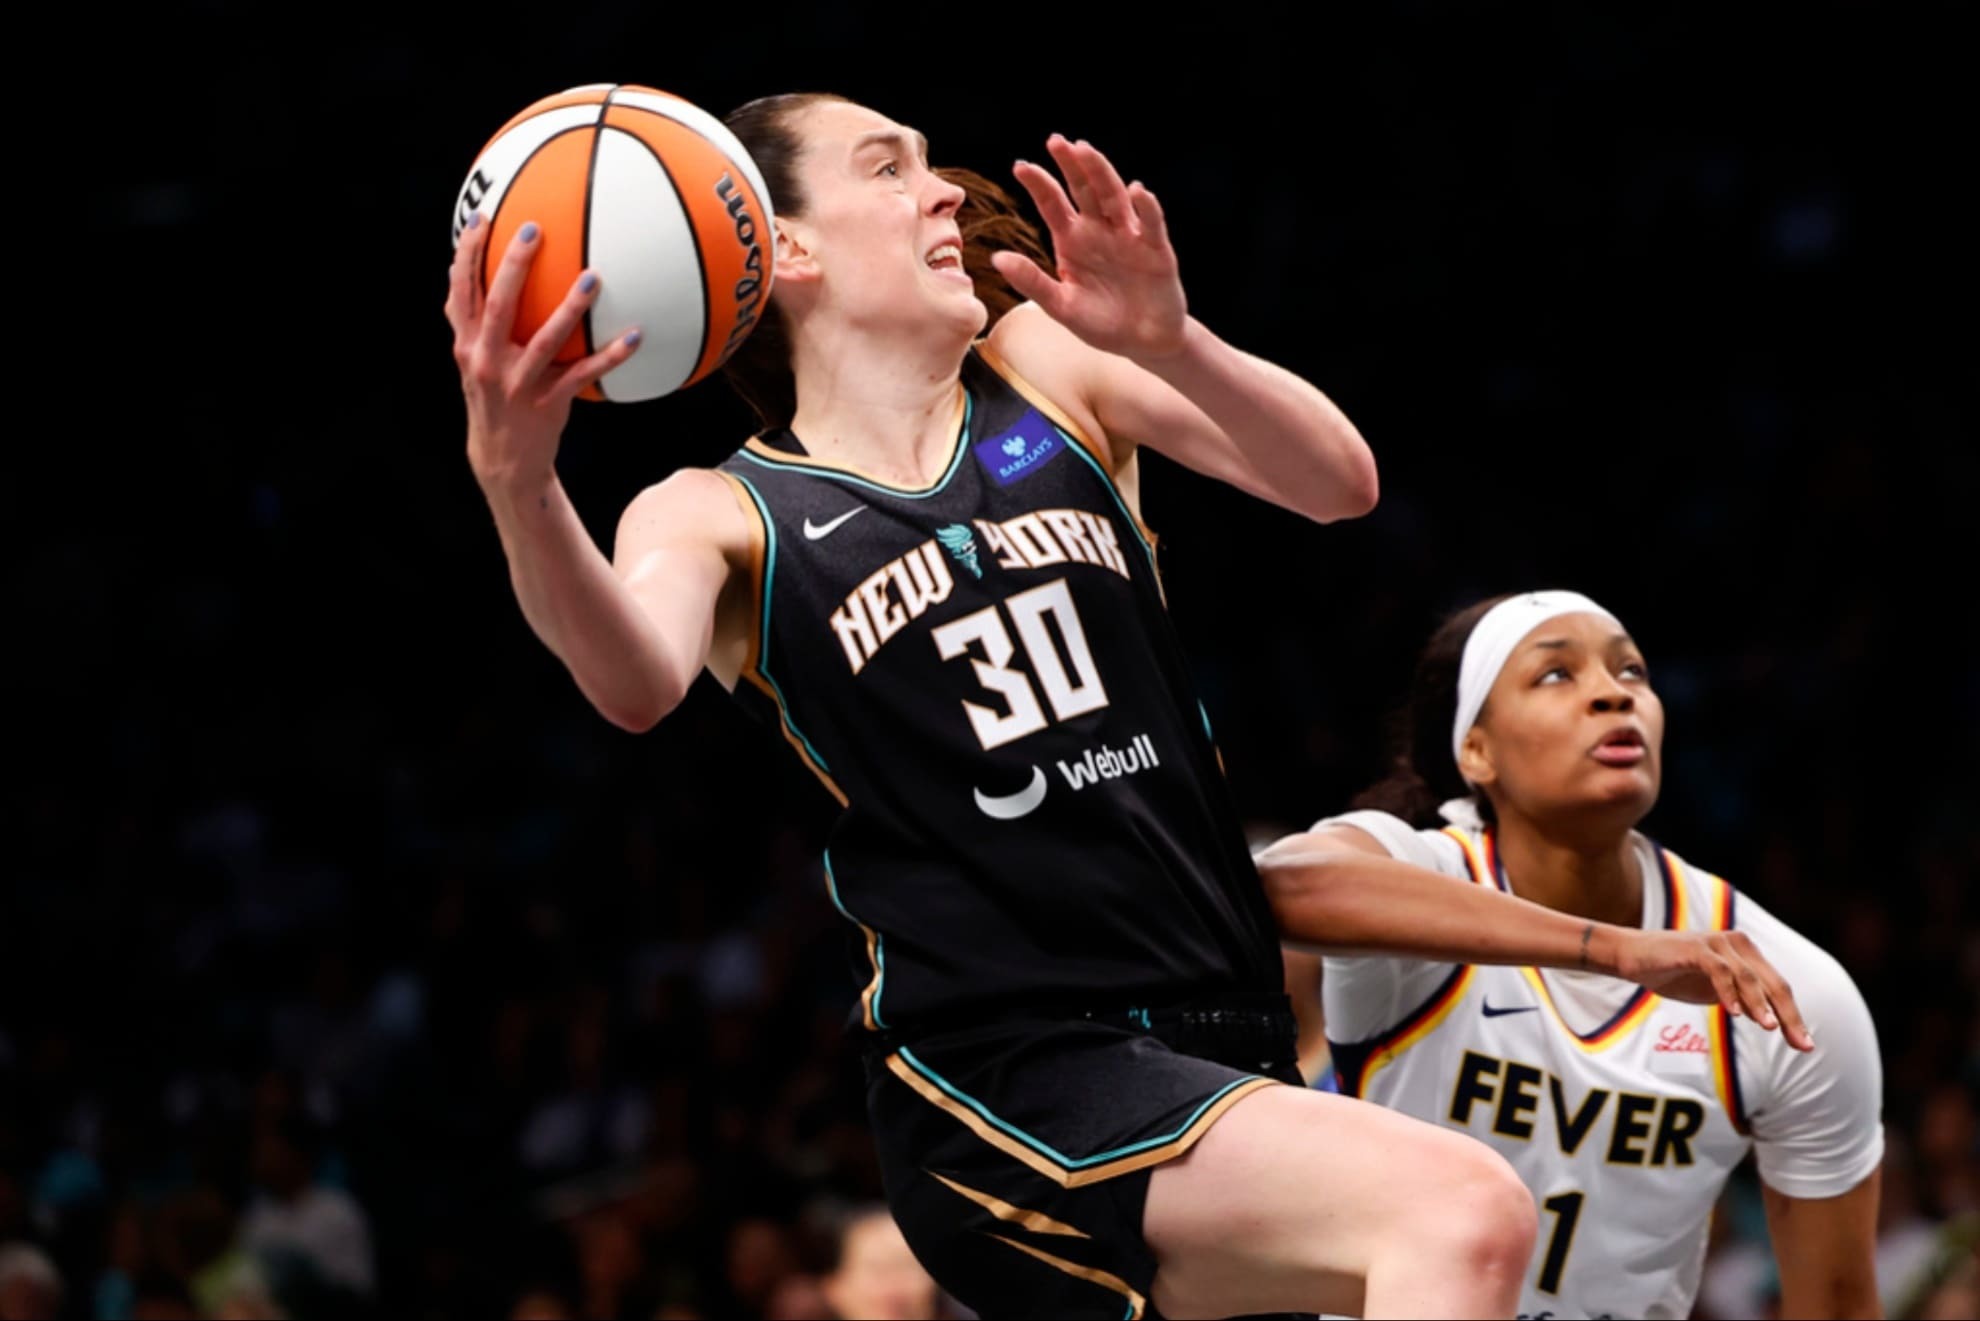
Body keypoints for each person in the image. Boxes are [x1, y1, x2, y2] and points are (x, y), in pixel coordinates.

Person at [446, 91, 1811, 1318]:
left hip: (1222, 1053)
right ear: (782, 246)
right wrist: (520, 478)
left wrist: (1174, 338)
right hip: (1009, 1073)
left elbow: (1336, 481)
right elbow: (630, 681)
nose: (940, 190)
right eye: (888, 165)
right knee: (1464, 1214)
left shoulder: (1051, 374)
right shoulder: (718, 510)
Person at [1271, 590, 1883, 1318]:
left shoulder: (1785, 985)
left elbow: (1838, 1301)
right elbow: (1283, 886)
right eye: (1556, 674)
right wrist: (1613, 951)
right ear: (1477, 749)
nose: (1611, 694)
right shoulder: (1422, 877)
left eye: (1631, 672)